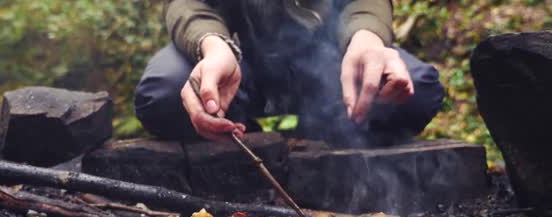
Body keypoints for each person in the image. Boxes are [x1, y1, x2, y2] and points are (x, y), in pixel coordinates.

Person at [135, 0, 444, 147]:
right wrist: (213, 45)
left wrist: (366, 36)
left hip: (333, 65)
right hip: (240, 59)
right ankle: (246, 133)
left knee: (414, 89)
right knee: (165, 93)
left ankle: (322, 130)